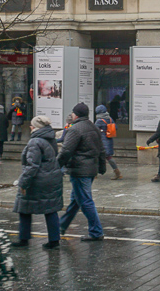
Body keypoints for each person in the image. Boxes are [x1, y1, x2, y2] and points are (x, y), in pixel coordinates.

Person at [12, 115, 63, 249]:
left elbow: (32, 165)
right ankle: (54, 240)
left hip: (38, 180)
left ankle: (23, 238)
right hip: (51, 178)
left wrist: (23, 182)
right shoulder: (50, 139)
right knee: (51, 209)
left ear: (36, 127)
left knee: (24, 208)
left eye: (32, 125)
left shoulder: (34, 142)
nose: (30, 127)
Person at [57, 103, 105, 241]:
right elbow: (101, 149)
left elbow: (66, 151)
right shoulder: (94, 127)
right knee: (76, 200)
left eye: (72, 113)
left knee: (85, 201)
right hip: (90, 169)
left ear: (76, 114)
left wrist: (56, 166)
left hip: (79, 170)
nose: (71, 115)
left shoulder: (75, 129)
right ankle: (61, 225)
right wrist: (101, 167)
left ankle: (96, 232)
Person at [94, 104, 122, 180]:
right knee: (109, 157)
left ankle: (94, 174)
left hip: (101, 142)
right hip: (109, 140)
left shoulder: (99, 120)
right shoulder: (109, 119)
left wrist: (101, 131)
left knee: (96, 157)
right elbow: (115, 127)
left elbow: (94, 130)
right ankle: (117, 172)